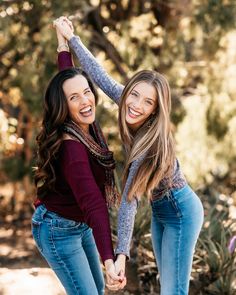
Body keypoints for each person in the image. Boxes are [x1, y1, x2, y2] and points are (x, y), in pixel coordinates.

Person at [54, 17, 204, 295]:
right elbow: (99, 76)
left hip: (181, 211)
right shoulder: (127, 100)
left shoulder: (151, 143)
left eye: (148, 102)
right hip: (162, 208)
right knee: (166, 287)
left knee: (174, 290)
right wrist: (70, 39)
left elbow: (129, 201)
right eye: (135, 95)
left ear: (156, 111)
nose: (136, 105)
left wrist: (121, 255)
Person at [31, 65, 126, 294]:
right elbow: (93, 202)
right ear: (64, 106)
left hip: (79, 224)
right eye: (75, 97)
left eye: (87, 91)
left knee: (98, 289)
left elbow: (69, 76)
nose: (85, 100)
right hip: (58, 229)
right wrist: (109, 260)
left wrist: (64, 45)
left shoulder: (85, 125)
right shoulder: (72, 149)